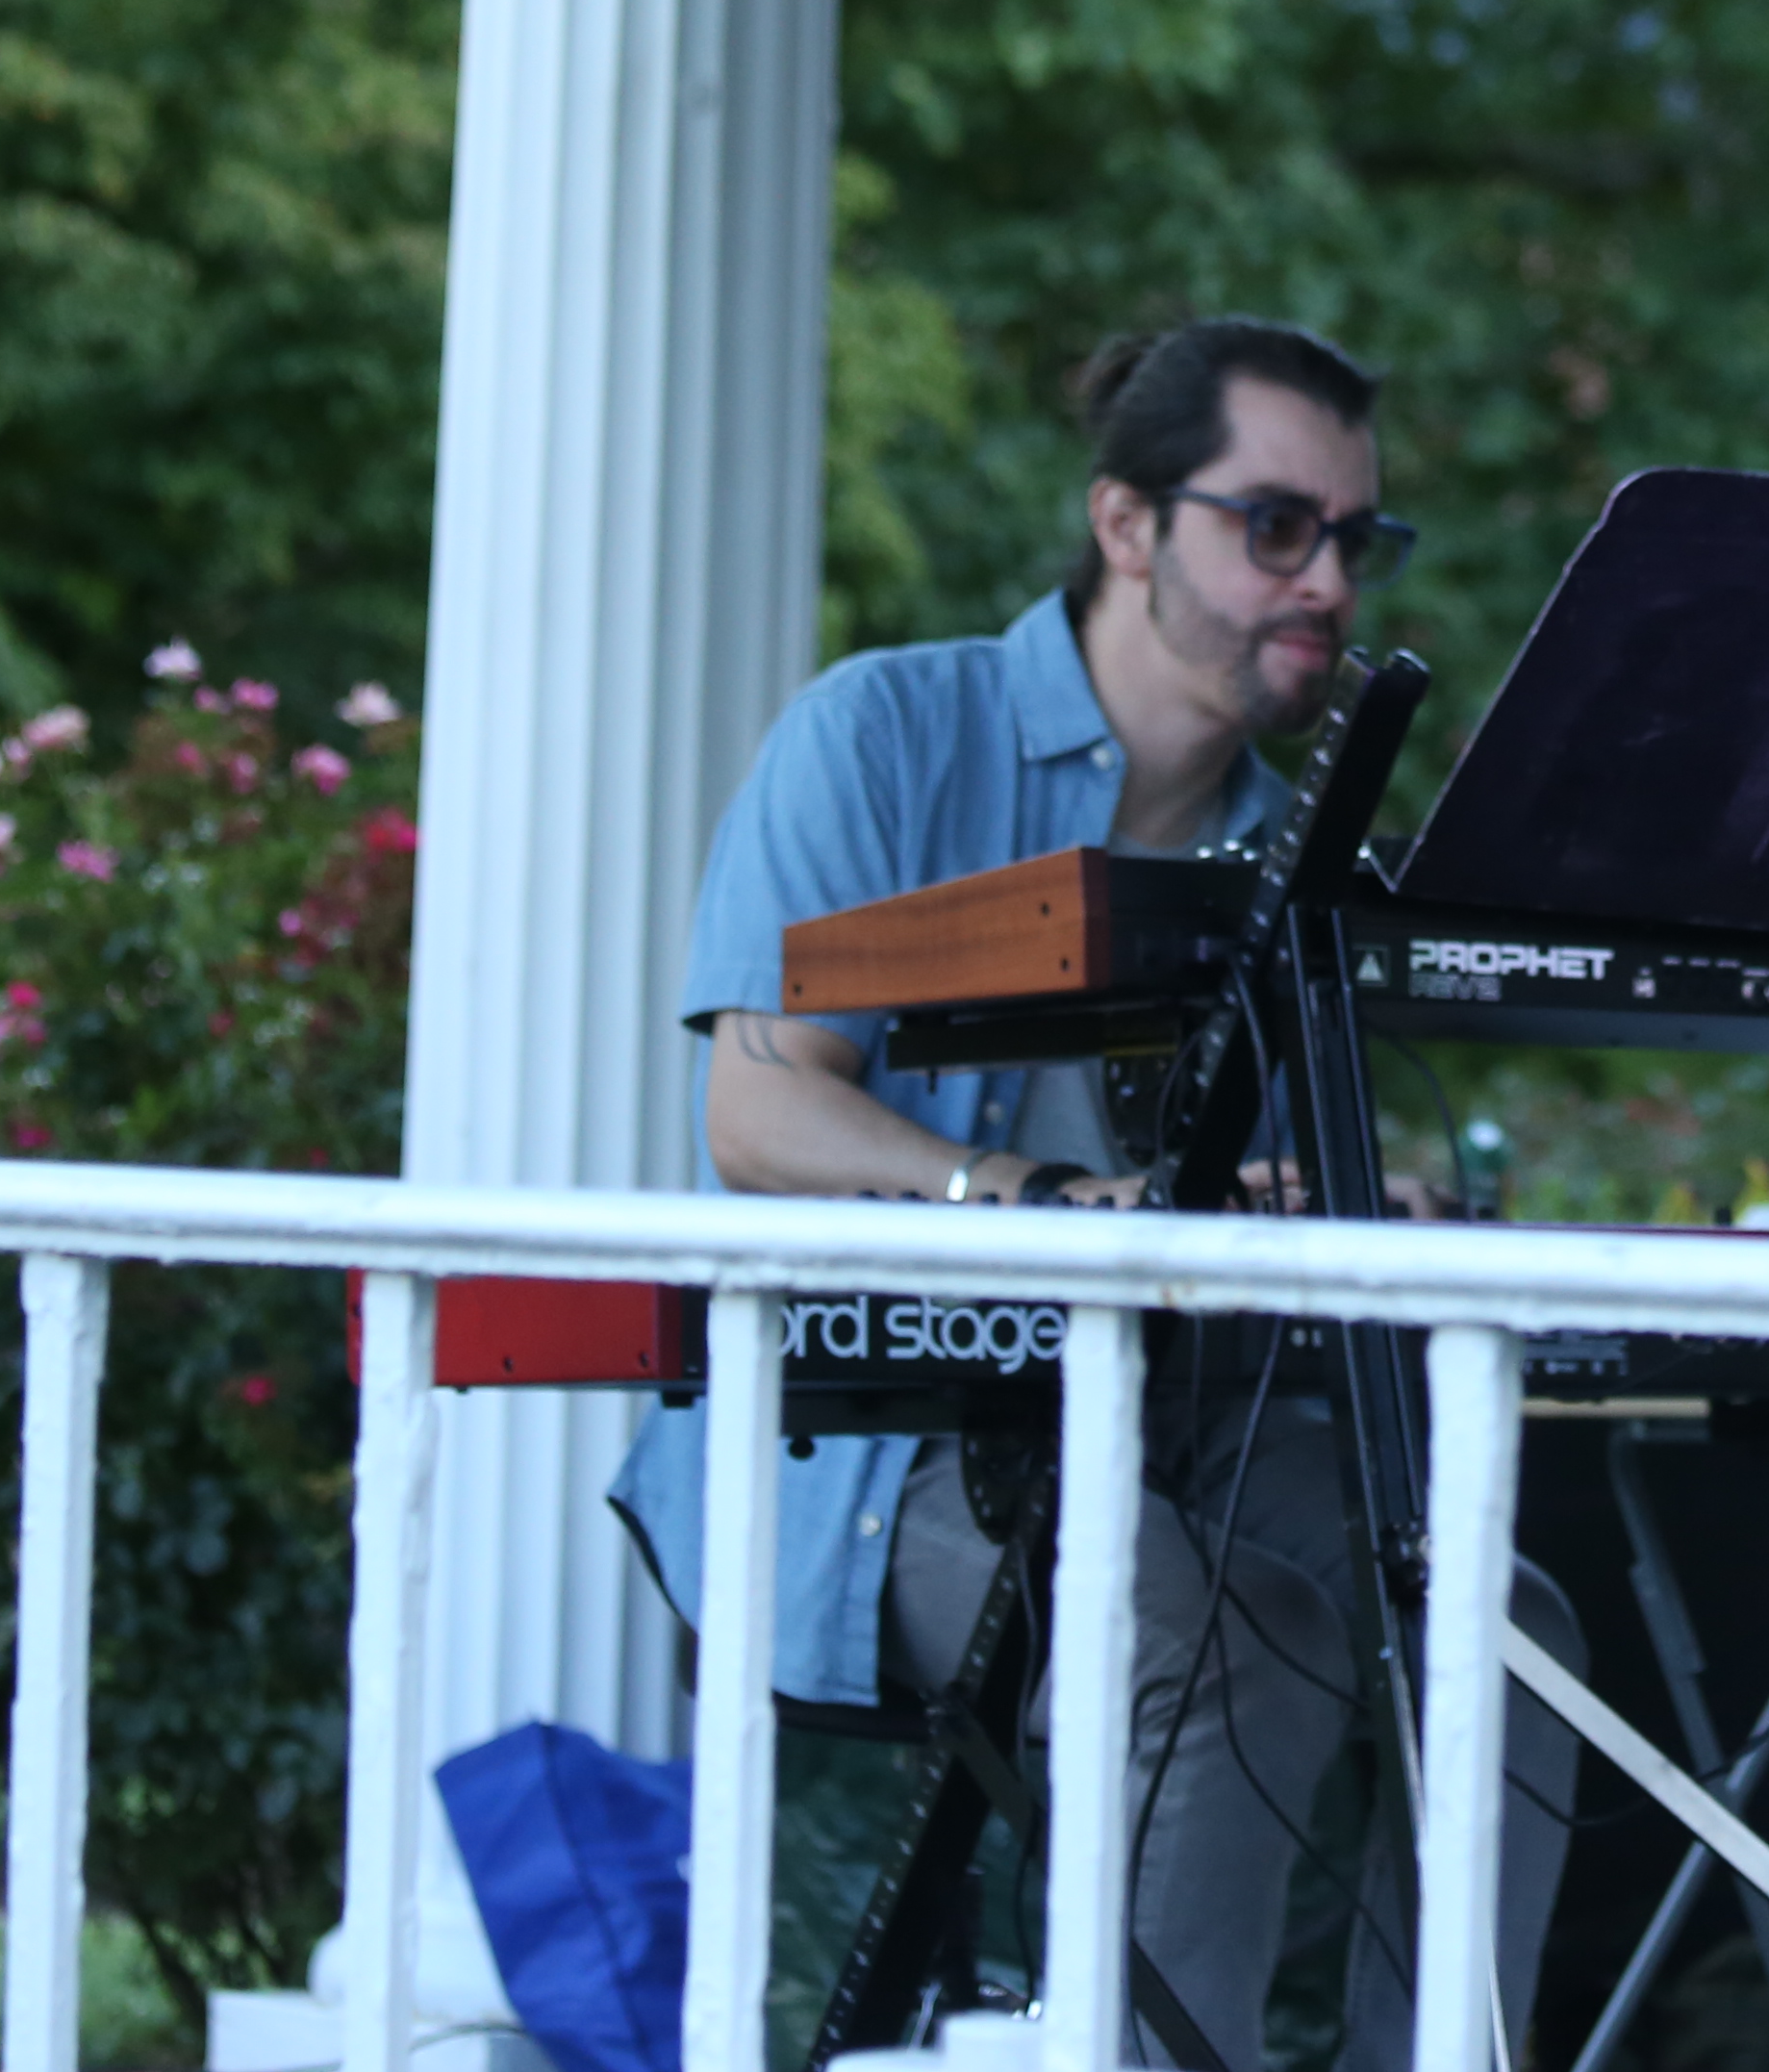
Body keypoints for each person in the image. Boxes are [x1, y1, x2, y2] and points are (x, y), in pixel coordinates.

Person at [610, 316, 1576, 2071]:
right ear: (1127, 525)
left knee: (1508, 1626)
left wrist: (1322, 1207)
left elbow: (1198, 1222)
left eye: (1357, 540)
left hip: (1171, 1411)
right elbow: (756, 1110)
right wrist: (1036, 1197)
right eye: (1276, 526)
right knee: (1219, 1646)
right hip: (876, 1438)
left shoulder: (1303, 845)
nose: (1328, 580)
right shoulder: (889, 729)